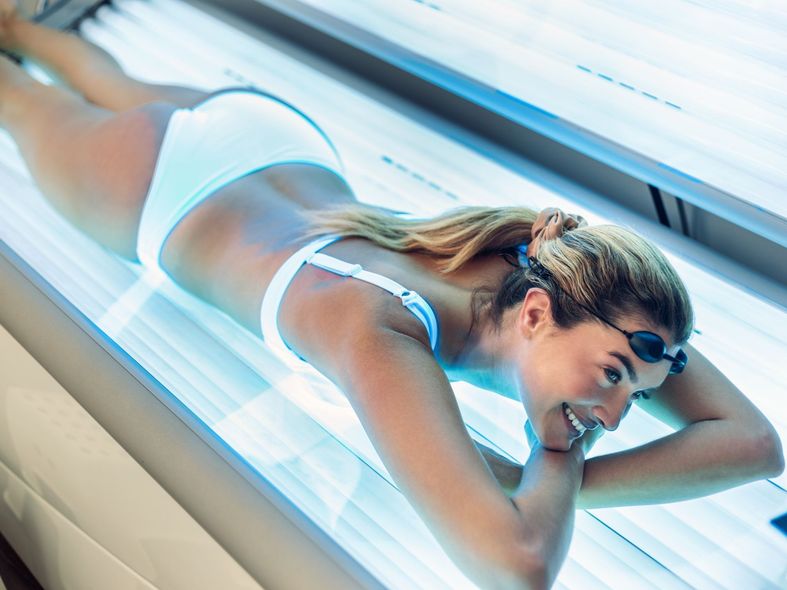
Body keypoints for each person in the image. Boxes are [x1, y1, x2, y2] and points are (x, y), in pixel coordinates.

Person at [0, 4, 783, 588]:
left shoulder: (550, 265)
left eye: (633, 390)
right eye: (614, 378)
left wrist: (535, 476)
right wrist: (545, 459)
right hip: (153, 188)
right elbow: (515, 566)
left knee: (97, 75)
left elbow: (754, 444)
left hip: (272, 138)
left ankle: (29, 26)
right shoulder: (378, 326)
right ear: (536, 316)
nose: (612, 419)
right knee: (16, 98)